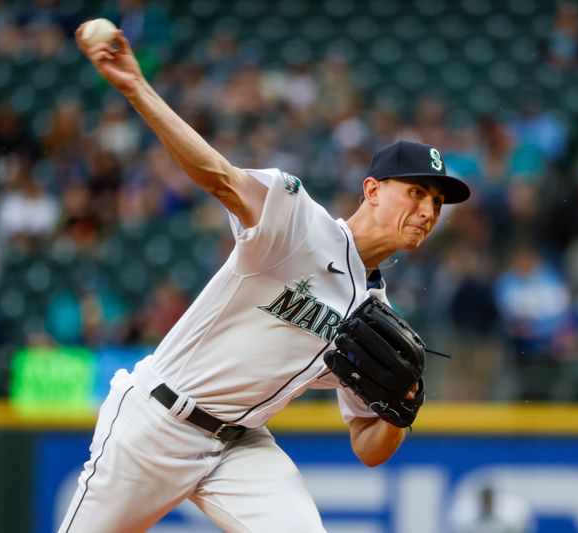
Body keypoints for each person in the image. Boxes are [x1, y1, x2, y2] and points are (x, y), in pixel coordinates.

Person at [59, 26, 470, 533]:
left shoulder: (375, 314)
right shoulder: (298, 222)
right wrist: (136, 88)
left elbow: (368, 447)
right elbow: (218, 176)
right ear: (372, 190)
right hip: (157, 422)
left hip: (241, 447)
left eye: (437, 202)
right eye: (417, 192)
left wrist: (400, 410)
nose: (429, 209)